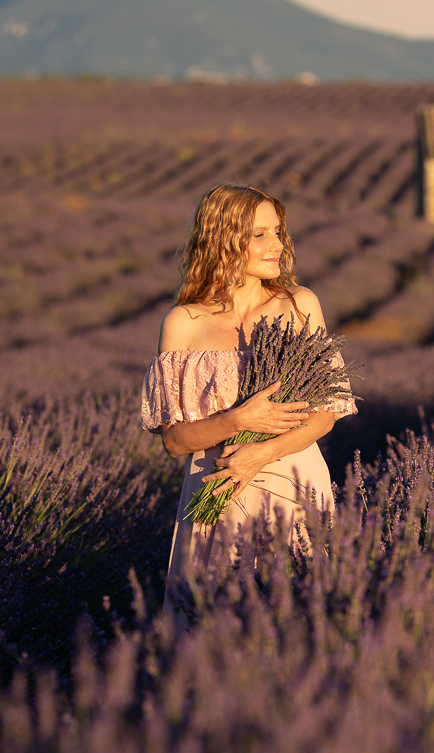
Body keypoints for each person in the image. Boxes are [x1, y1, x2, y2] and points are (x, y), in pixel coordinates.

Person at [140, 183, 356, 621]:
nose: (277, 244)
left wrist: (260, 453)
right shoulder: (184, 322)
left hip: (292, 480)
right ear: (224, 239)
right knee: (209, 625)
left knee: (300, 618)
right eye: (260, 234)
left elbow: (326, 413)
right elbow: (175, 442)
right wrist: (238, 418)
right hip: (215, 487)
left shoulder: (299, 305)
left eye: (277, 232)